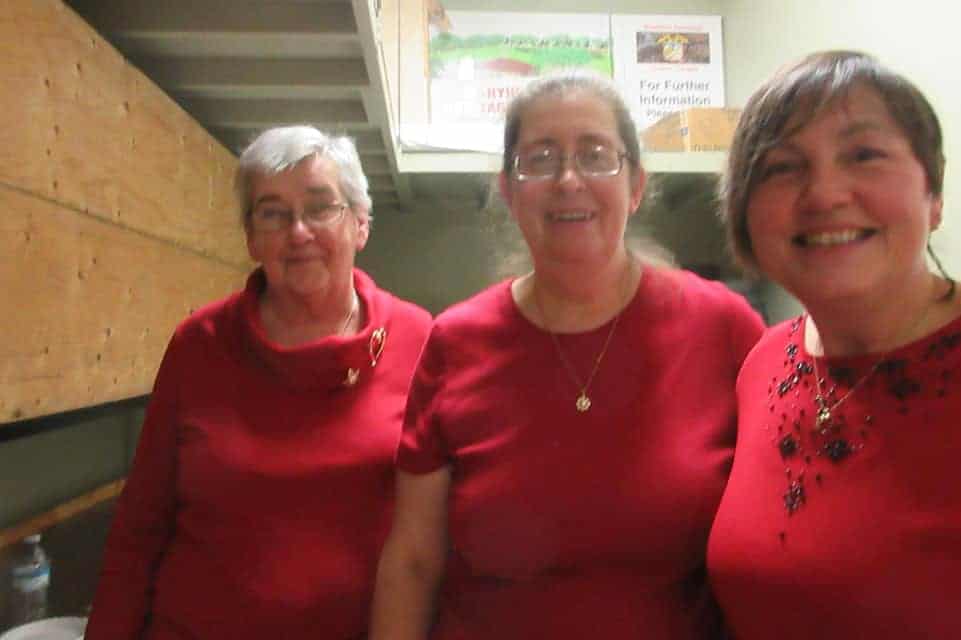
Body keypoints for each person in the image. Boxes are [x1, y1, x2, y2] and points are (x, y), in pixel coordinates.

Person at [370, 72, 765, 640]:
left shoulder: (724, 329)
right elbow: (413, 560)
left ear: (635, 185)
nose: (568, 180)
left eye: (596, 155)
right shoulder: (455, 343)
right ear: (509, 192)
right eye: (540, 159)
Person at [708, 50, 961, 638]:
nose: (824, 194)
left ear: (934, 192)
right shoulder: (763, 364)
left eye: (864, 155)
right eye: (782, 167)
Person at [85, 126, 432, 639]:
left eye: (320, 207)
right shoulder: (199, 344)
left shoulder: (419, 340)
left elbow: (435, 540)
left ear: (360, 224)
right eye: (272, 213)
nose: (298, 231)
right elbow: (140, 525)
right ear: (251, 238)